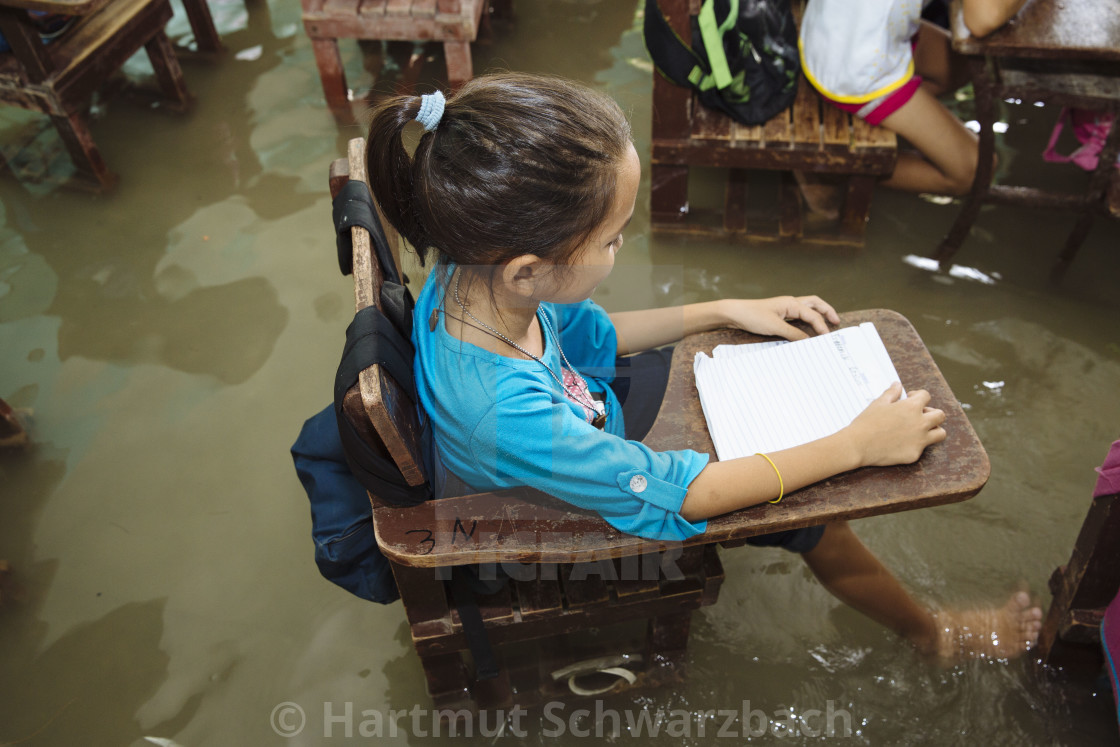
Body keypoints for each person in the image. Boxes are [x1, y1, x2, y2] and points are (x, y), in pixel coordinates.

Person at [363, 72, 1041, 662]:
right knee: (813, 514)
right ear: (528, 270)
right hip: (565, 519)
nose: (623, 245)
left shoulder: (471, 272)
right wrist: (857, 443)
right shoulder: (502, 409)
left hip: (587, 428)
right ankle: (932, 633)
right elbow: (683, 495)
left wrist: (728, 308)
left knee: (746, 360)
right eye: (613, 236)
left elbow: (593, 339)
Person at [798, 0, 1029, 200]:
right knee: (977, 171)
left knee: (961, 66)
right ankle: (832, 170)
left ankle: (886, 119)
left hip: (841, 25)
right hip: (856, 62)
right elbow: (983, 19)